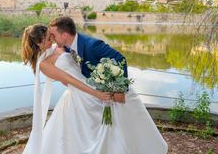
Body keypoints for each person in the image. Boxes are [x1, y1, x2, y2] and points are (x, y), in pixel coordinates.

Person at [23, 21, 168, 153]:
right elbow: (69, 81)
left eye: (52, 35)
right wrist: (95, 93)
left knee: (123, 110)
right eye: (49, 38)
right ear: (39, 43)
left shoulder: (61, 47)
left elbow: (81, 62)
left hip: (91, 85)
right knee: (90, 133)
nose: (52, 39)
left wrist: (111, 85)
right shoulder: (44, 64)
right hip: (82, 93)